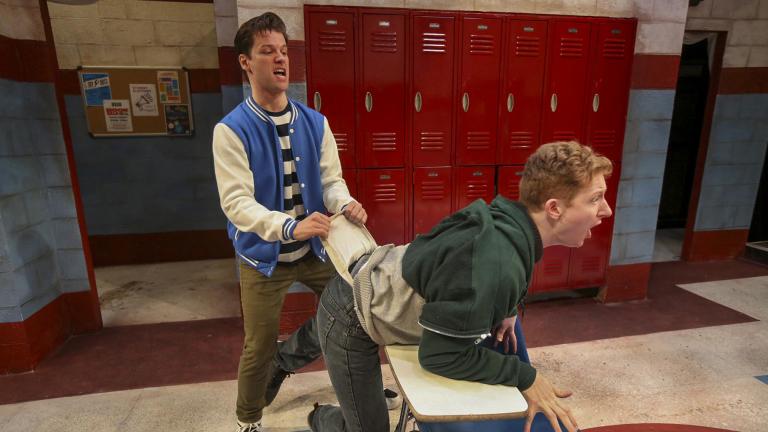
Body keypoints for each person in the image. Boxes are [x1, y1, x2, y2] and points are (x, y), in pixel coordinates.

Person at [308, 141, 614, 432]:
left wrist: (508, 307)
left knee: (317, 355)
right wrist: (525, 377)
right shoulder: (495, 263)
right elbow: (439, 357)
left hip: (375, 279)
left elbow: (493, 266)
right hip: (352, 316)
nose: (606, 211)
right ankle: (325, 416)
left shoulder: (510, 224)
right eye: (595, 199)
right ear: (554, 208)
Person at [211, 12, 367, 432]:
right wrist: (287, 227)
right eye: (267, 52)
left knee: (359, 313)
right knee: (257, 345)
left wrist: (346, 203)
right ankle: (248, 419)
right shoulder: (230, 131)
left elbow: (332, 181)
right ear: (246, 63)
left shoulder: (315, 123)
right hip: (263, 256)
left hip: (317, 248)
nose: (280, 60)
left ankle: (356, 394)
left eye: (283, 51)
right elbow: (236, 202)